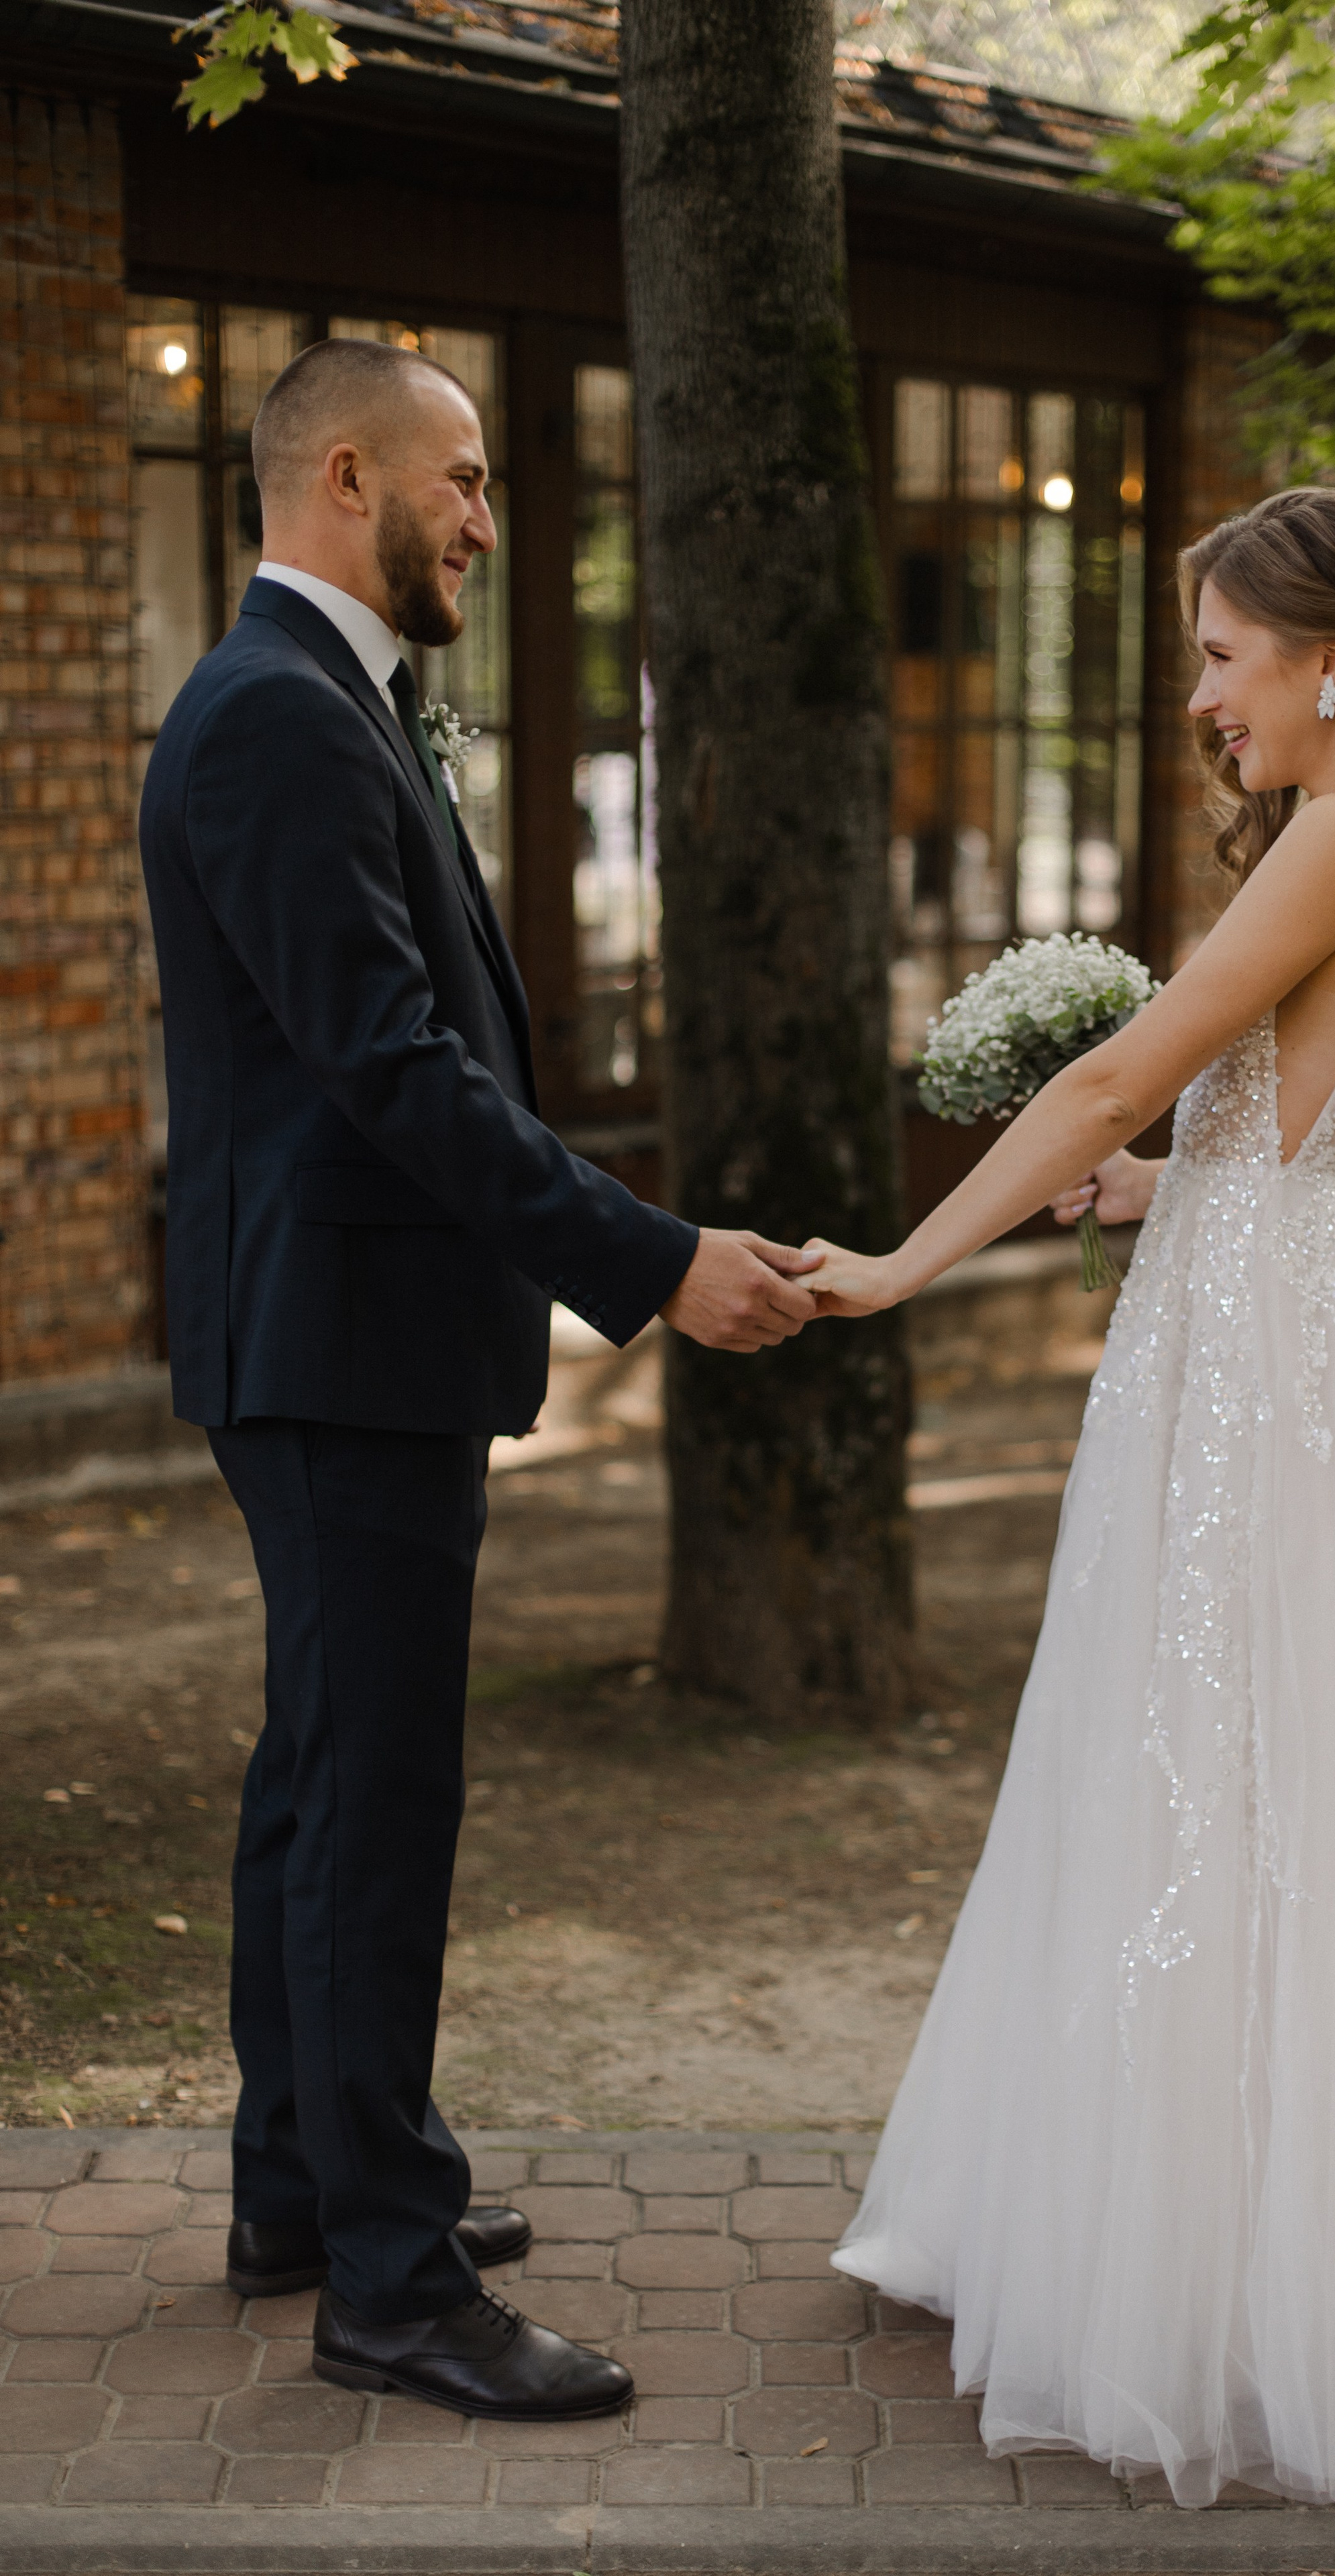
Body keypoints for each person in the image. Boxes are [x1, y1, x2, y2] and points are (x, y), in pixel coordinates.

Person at [809, 486, 1335, 2504]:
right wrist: (1180, 1185)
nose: (1202, 700)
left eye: (1221, 657)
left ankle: (1228, 2286)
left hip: (1268, 1372)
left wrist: (900, 1265)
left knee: (1227, 1762)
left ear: (1332, 657)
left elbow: (1117, 1080)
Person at [138, 337, 822, 2422]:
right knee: (373, 1802)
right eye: (466, 482)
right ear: (346, 475)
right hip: (335, 1345)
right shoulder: (277, 713)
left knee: (316, 1782)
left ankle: (298, 2185)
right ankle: (393, 2285)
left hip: (342, 1337)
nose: (488, 523)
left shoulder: (322, 696)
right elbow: (388, 1068)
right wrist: (653, 1263)